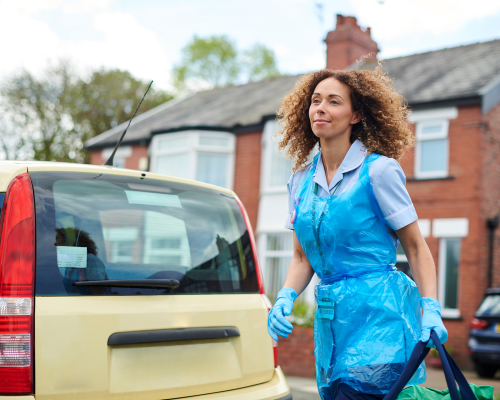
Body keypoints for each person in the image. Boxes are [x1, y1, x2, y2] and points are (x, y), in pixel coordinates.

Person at [267, 66, 448, 400]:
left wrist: (432, 307)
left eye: (333, 101)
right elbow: (301, 256)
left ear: (355, 115)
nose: (320, 108)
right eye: (315, 100)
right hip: (331, 323)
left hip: (381, 321)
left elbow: (416, 248)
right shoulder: (299, 181)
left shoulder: (379, 171)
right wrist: (285, 297)